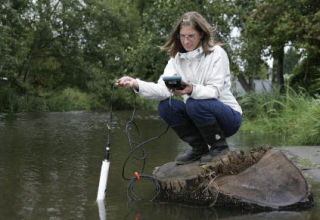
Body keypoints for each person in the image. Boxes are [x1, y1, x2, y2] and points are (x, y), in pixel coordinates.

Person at [115, 11, 242, 165]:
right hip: (198, 114)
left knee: (194, 103)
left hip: (229, 118)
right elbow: (162, 90)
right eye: (182, 36)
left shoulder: (217, 54)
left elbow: (215, 91)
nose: (186, 41)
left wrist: (192, 90)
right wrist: (135, 83)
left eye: (191, 36)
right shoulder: (176, 58)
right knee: (165, 106)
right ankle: (199, 148)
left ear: (201, 34)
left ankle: (219, 147)